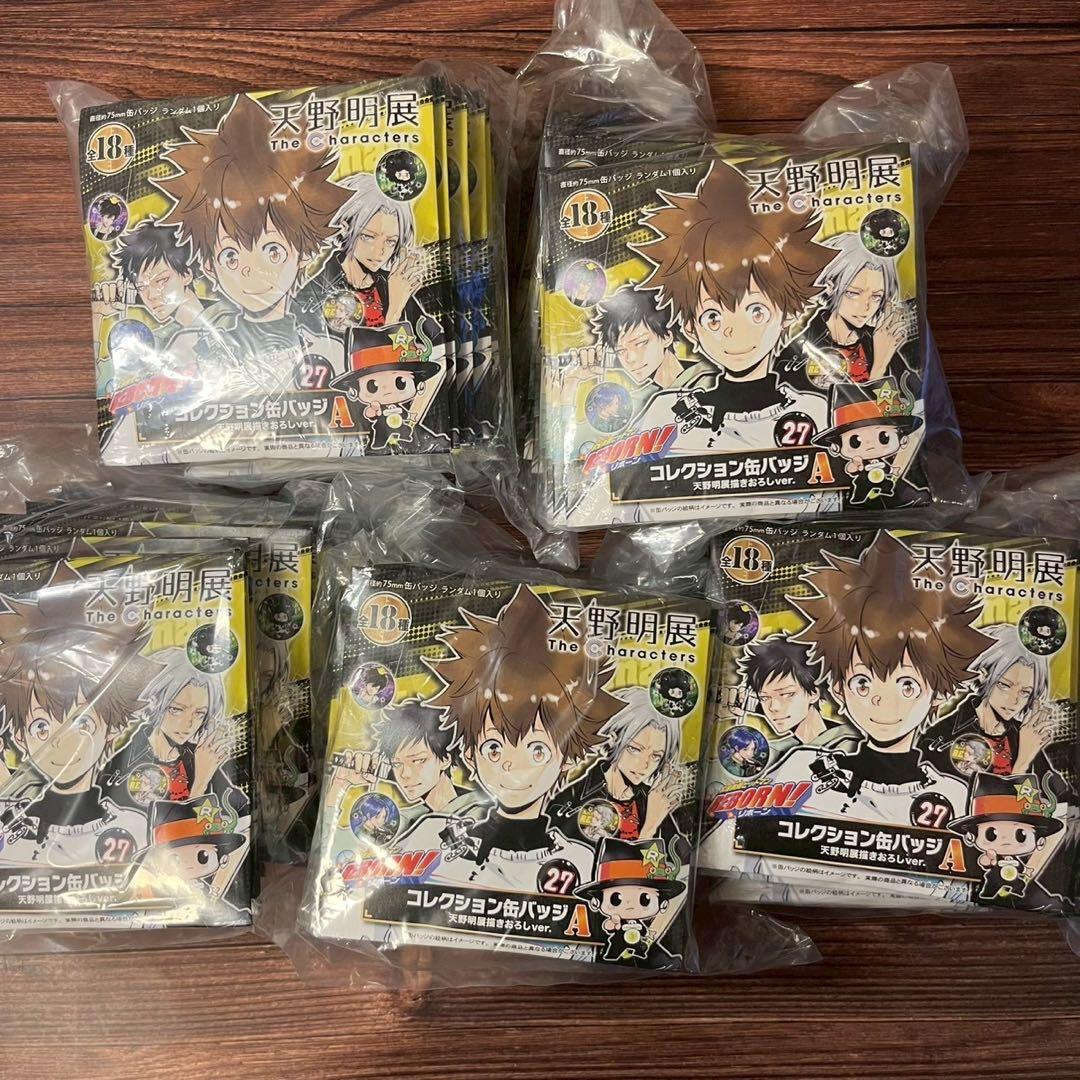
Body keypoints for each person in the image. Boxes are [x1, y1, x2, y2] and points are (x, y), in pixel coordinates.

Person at [396, 586, 620, 889]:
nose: (512, 767)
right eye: (493, 749)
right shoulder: (433, 839)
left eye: (537, 751)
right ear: (470, 755)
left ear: (567, 758)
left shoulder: (580, 861)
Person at [153, 92, 350, 395]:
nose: (252, 270)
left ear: (303, 253)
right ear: (209, 266)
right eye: (231, 256)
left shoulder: (328, 352)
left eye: (273, 251)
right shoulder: (192, 350)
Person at [628, 159, 832, 451]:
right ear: (690, 327)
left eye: (757, 312)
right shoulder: (666, 414)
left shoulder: (813, 411)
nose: (734, 332)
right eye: (713, 317)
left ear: (787, 313)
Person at [0, 597, 153, 866]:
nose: (62, 743)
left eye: (82, 723)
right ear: (20, 738)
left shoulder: (132, 825)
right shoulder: (9, 823)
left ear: (112, 728)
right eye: (41, 727)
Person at [295, 172, 436, 351]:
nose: (380, 251)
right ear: (345, 228)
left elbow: (437, 342)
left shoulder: (392, 284)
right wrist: (394, 312)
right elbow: (350, 362)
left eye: (391, 241)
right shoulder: (312, 296)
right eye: (368, 237)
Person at [921, 624, 1067, 795]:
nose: (1014, 701)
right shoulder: (941, 739)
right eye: (1005, 685)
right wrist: (1022, 763)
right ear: (983, 676)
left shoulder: (1023, 735)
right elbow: (977, 806)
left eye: (1025, 692)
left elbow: (1062, 799)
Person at [104, 647, 247, 817]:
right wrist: (200, 783)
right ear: (154, 702)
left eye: (199, 714)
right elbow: (151, 830)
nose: (188, 724)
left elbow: (242, 810)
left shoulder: (198, 756)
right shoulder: (123, 765)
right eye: (176, 709)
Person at [550, 687, 686, 853]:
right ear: (613, 739)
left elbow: (678, 863)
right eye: (635, 749)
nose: (645, 765)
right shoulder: (572, 799)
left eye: (656, 756)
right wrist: (649, 828)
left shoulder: (652, 802)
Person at [777, 232, 913, 387]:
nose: (865, 307)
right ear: (830, 286)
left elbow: (911, 395)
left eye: (876, 296)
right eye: (853, 293)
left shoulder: (879, 341)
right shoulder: (798, 354)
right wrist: (879, 368)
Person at [335, 700, 485, 832]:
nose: (404, 774)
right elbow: (341, 847)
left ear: (445, 759)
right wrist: (339, 785)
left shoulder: (482, 811)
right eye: (397, 764)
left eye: (418, 760)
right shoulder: (407, 820)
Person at [739, 634, 858, 764]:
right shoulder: (778, 751)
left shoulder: (849, 743)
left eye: (787, 694)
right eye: (764, 697)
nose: (773, 707)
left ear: (814, 693)